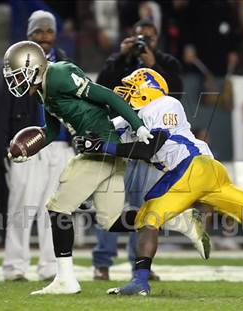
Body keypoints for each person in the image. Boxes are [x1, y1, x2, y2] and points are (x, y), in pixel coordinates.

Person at [74, 67, 243, 295]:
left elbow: (150, 146)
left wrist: (104, 147)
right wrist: (89, 136)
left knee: (149, 215)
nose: (126, 94)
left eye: (132, 88)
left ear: (147, 90)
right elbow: (108, 132)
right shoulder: (131, 118)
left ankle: (140, 281)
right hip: (209, 173)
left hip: (191, 167)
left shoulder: (164, 104)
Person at [2, 41, 208, 295]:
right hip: (104, 150)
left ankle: (65, 280)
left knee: (57, 209)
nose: (17, 82)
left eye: (19, 75)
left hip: (99, 147)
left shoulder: (60, 75)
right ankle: (180, 220)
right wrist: (30, 147)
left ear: (34, 67)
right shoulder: (45, 88)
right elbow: (53, 130)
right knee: (111, 221)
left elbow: (107, 95)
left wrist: (138, 125)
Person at [0, 10, 74, 282]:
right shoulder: (14, 61)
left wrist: (75, 140)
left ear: (55, 33)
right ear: (28, 34)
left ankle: (50, 267)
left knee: (55, 209)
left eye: (48, 30)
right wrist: (4, 148)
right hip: (26, 145)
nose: (44, 36)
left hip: (59, 146)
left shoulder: (66, 62)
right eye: (38, 31)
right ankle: (14, 267)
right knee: (21, 209)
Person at [92, 18, 183, 281]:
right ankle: (103, 263)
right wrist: (121, 56)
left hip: (149, 150)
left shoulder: (167, 62)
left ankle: (141, 265)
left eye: (149, 38)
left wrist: (154, 63)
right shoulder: (121, 62)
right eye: (139, 38)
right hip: (120, 142)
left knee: (145, 210)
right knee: (110, 205)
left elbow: (177, 92)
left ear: (157, 39)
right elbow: (102, 87)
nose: (144, 43)